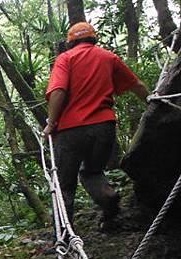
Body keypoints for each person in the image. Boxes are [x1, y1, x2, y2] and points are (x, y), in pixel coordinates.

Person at [43, 22, 149, 228]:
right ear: (93, 38)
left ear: (70, 42)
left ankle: (64, 237)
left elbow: (58, 91)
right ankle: (109, 201)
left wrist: (51, 123)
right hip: (103, 127)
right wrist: (154, 102)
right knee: (91, 171)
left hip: (69, 130)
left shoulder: (65, 58)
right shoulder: (108, 57)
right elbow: (136, 85)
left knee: (65, 184)